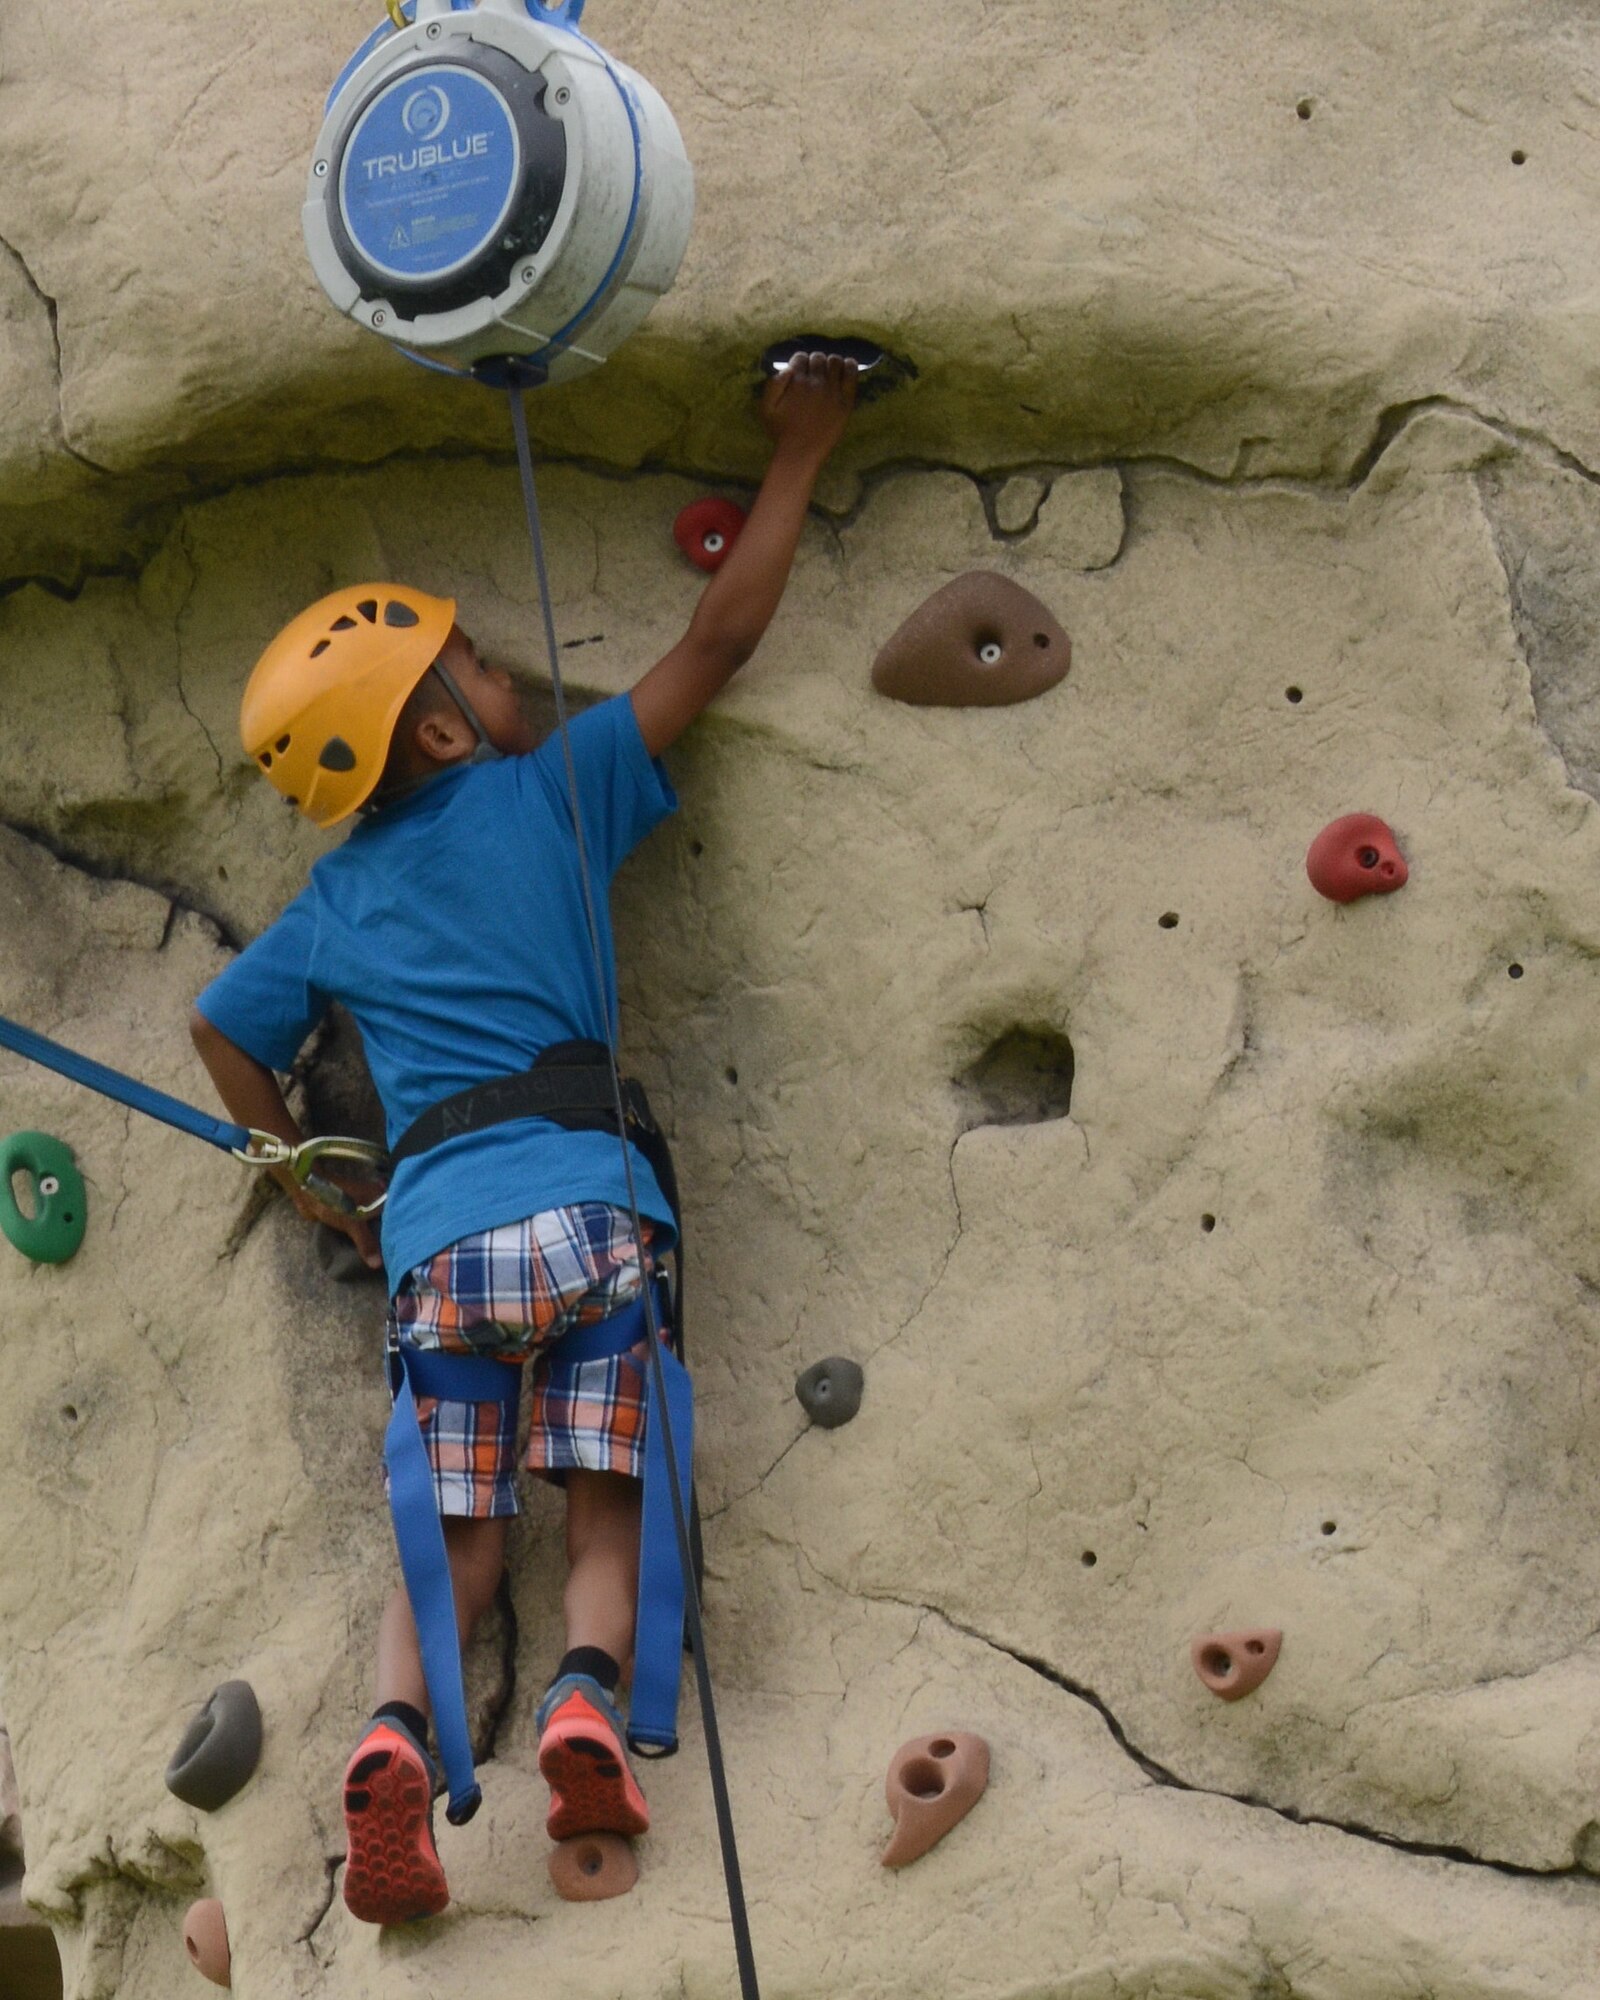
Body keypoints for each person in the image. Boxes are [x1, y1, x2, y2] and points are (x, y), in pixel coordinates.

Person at [189, 353, 857, 1924]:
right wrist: (805, 447)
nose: (503, 676)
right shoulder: (553, 794)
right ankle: (580, 1705)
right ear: (436, 735)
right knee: (605, 1501)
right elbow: (724, 638)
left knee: (458, 1545)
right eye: (473, 664)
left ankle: (396, 1740)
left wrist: (313, 1186)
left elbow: (222, 1029)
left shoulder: (334, 902)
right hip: (584, 1212)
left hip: (432, 1251)